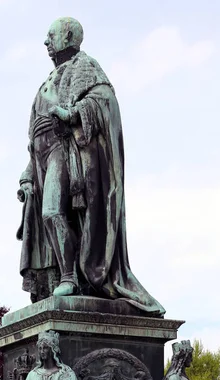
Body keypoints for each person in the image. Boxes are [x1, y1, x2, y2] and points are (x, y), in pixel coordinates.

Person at [17, 17, 165, 315]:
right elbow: (33, 140)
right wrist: (27, 174)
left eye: (51, 36)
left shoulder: (86, 67)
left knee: (52, 213)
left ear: (68, 36)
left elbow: (104, 103)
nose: (46, 42)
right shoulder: (47, 81)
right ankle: (62, 274)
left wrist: (72, 113)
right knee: (48, 219)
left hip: (66, 148)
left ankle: (71, 276)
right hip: (42, 156)